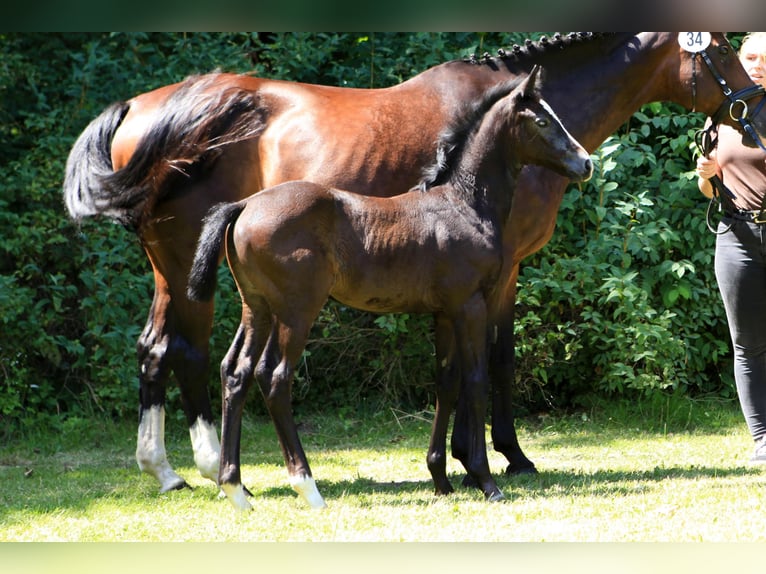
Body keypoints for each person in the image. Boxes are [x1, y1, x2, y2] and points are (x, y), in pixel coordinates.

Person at [696, 32, 766, 462]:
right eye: (752, 56)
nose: (758, 64)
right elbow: (708, 190)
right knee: (748, 344)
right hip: (736, 236)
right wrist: (708, 173)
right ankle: (763, 440)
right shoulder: (721, 115)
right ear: (738, 61)